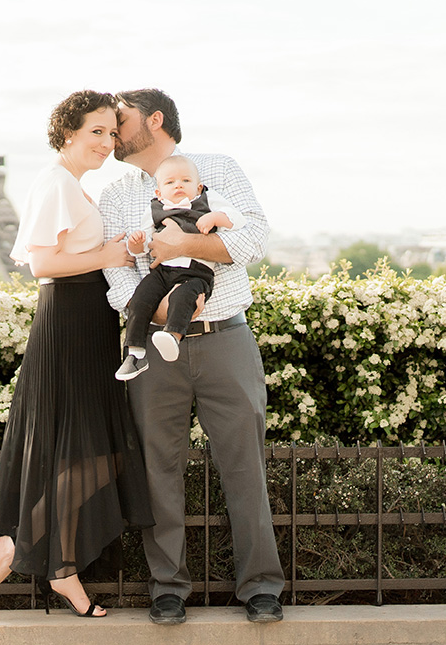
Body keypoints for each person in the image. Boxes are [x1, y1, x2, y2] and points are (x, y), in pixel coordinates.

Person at [99, 88, 285, 625]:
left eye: (121, 120)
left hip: (225, 336)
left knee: (244, 467)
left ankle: (261, 587)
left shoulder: (218, 169)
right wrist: (161, 320)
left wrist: (182, 247)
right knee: (158, 469)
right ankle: (167, 587)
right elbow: (117, 277)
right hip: (155, 348)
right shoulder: (115, 195)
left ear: (155, 120)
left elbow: (251, 241)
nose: (112, 130)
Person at [0, 90, 154, 618]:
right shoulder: (55, 182)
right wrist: (115, 251)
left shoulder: (71, 186)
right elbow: (43, 264)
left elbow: (76, 251)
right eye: (96, 131)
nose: (108, 142)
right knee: (83, 445)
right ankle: (61, 567)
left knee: (83, 444)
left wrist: (120, 247)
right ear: (67, 132)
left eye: (112, 132)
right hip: (70, 323)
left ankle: (16, 543)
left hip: (86, 323)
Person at [115, 154, 245, 380]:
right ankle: (135, 353)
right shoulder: (155, 209)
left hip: (196, 272)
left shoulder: (206, 201)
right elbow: (144, 245)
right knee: (141, 297)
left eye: (185, 181)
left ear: (198, 186)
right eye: (170, 182)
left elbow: (238, 220)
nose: (178, 186)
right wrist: (136, 244)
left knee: (183, 297)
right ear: (158, 192)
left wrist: (216, 218)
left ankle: (172, 337)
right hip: (163, 271)